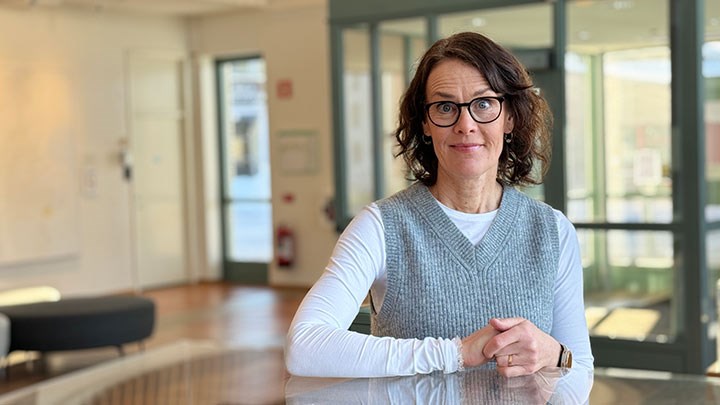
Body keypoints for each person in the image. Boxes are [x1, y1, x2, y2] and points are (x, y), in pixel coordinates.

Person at [285, 31, 593, 379]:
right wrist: (456, 353)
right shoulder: (380, 226)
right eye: (445, 107)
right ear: (425, 124)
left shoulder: (552, 230)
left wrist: (556, 353)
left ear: (510, 118)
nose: (466, 125)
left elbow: (579, 367)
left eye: (484, 104)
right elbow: (305, 346)